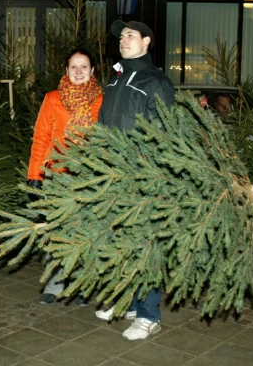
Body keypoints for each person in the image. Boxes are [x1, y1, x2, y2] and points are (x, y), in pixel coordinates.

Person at [96, 20, 175, 340]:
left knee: (145, 245)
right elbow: (103, 126)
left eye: (130, 36)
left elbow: (162, 134)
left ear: (147, 42)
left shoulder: (156, 82)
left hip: (141, 178)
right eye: (121, 36)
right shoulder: (115, 81)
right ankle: (128, 303)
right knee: (120, 243)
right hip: (112, 176)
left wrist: (148, 177)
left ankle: (148, 315)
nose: (123, 40)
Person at [27, 47, 103, 306]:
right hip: (57, 177)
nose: (79, 72)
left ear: (93, 71)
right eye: (74, 67)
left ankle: (82, 285)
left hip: (89, 178)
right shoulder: (52, 99)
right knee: (56, 234)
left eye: (84, 67)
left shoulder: (102, 99)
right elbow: (41, 139)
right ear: (66, 70)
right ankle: (55, 283)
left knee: (84, 233)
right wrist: (35, 174)